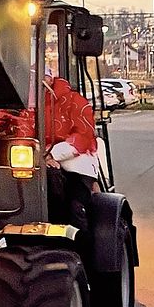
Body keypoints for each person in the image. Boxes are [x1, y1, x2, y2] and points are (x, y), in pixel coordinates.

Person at [43, 70, 100, 232]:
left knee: (75, 207)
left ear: (50, 78)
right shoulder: (28, 105)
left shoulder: (75, 101)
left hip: (76, 164)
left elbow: (83, 137)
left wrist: (51, 154)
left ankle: (80, 243)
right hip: (37, 161)